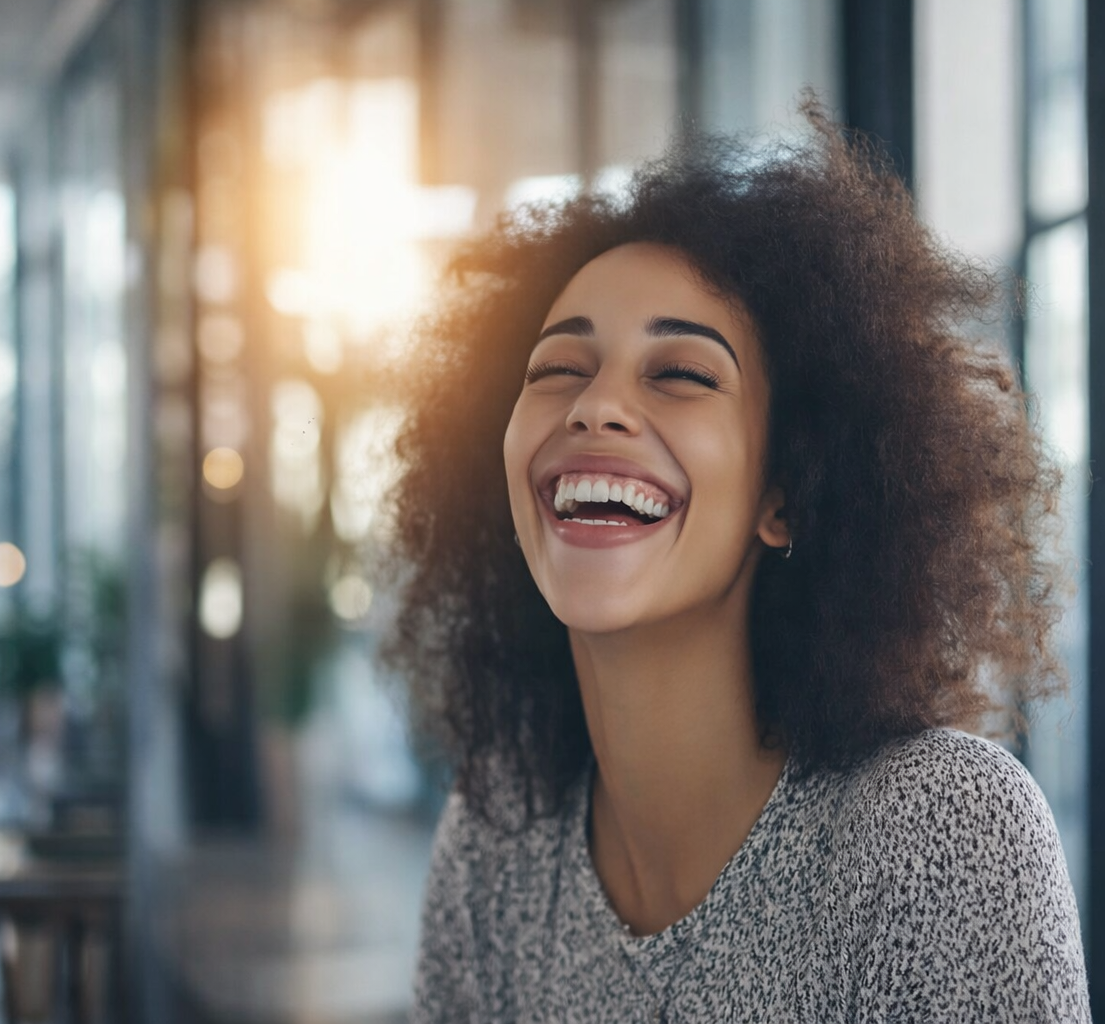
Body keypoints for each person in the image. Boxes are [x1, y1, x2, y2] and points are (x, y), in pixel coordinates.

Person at [383, 103, 1090, 1021]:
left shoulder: (943, 833)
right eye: (559, 369)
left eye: (681, 374)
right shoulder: (495, 836)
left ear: (784, 496)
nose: (596, 408)